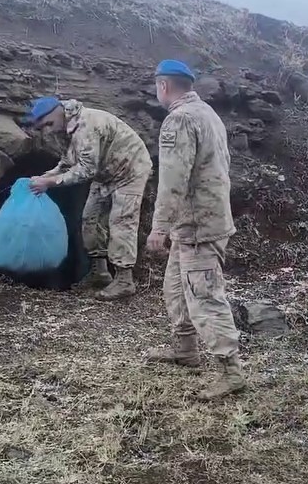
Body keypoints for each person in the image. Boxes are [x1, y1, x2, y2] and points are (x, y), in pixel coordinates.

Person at [143, 59, 246, 400]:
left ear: (163, 85)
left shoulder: (180, 119)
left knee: (204, 297)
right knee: (175, 289)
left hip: (198, 226)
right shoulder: (208, 114)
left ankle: (229, 372)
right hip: (197, 222)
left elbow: (173, 179)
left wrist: (159, 227)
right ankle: (185, 350)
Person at [25, 96, 153, 300]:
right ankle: (100, 272)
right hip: (105, 173)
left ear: (58, 110)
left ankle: (124, 280)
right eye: (42, 128)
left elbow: (86, 170)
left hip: (130, 170)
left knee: (121, 221)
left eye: (49, 123)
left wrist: (51, 183)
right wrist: (46, 175)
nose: (48, 131)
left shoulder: (86, 125)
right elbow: (68, 161)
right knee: (89, 219)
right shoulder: (64, 126)